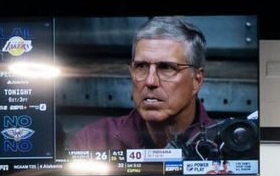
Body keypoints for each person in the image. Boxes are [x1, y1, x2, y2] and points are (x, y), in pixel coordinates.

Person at [67, 16, 216, 158]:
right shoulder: (93, 142)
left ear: (197, 80)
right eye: (141, 67)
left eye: (166, 68)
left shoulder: (223, 145)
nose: (150, 81)